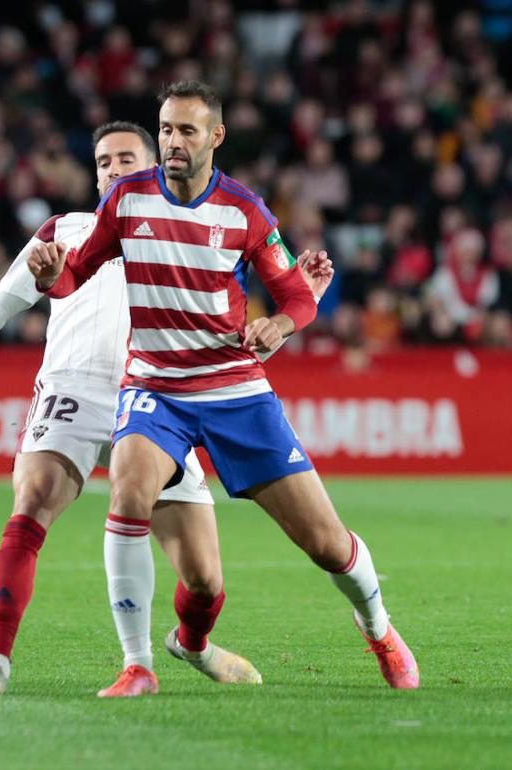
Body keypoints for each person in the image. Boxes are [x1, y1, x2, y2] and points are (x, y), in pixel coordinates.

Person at [0, 122, 332, 697]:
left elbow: (231, 337)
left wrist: (296, 309)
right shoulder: (66, 232)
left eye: (126, 160)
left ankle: (193, 643)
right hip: (73, 389)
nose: (113, 170)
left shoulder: (187, 231)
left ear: (154, 166)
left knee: (205, 581)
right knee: (32, 501)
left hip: (161, 400)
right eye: (104, 162)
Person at [28, 80, 419, 689]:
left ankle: (379, 629)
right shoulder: (127, 198)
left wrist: (279, 324)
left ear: (216, 136)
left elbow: (296, 296)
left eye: (186, 131)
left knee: (324, 543)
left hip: (234, 388)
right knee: (127, 495)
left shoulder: (244, 210)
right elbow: (74, 274)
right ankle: (137, 665)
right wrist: (51, 275)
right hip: (155, 388)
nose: (173, 142)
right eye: (166, 130)